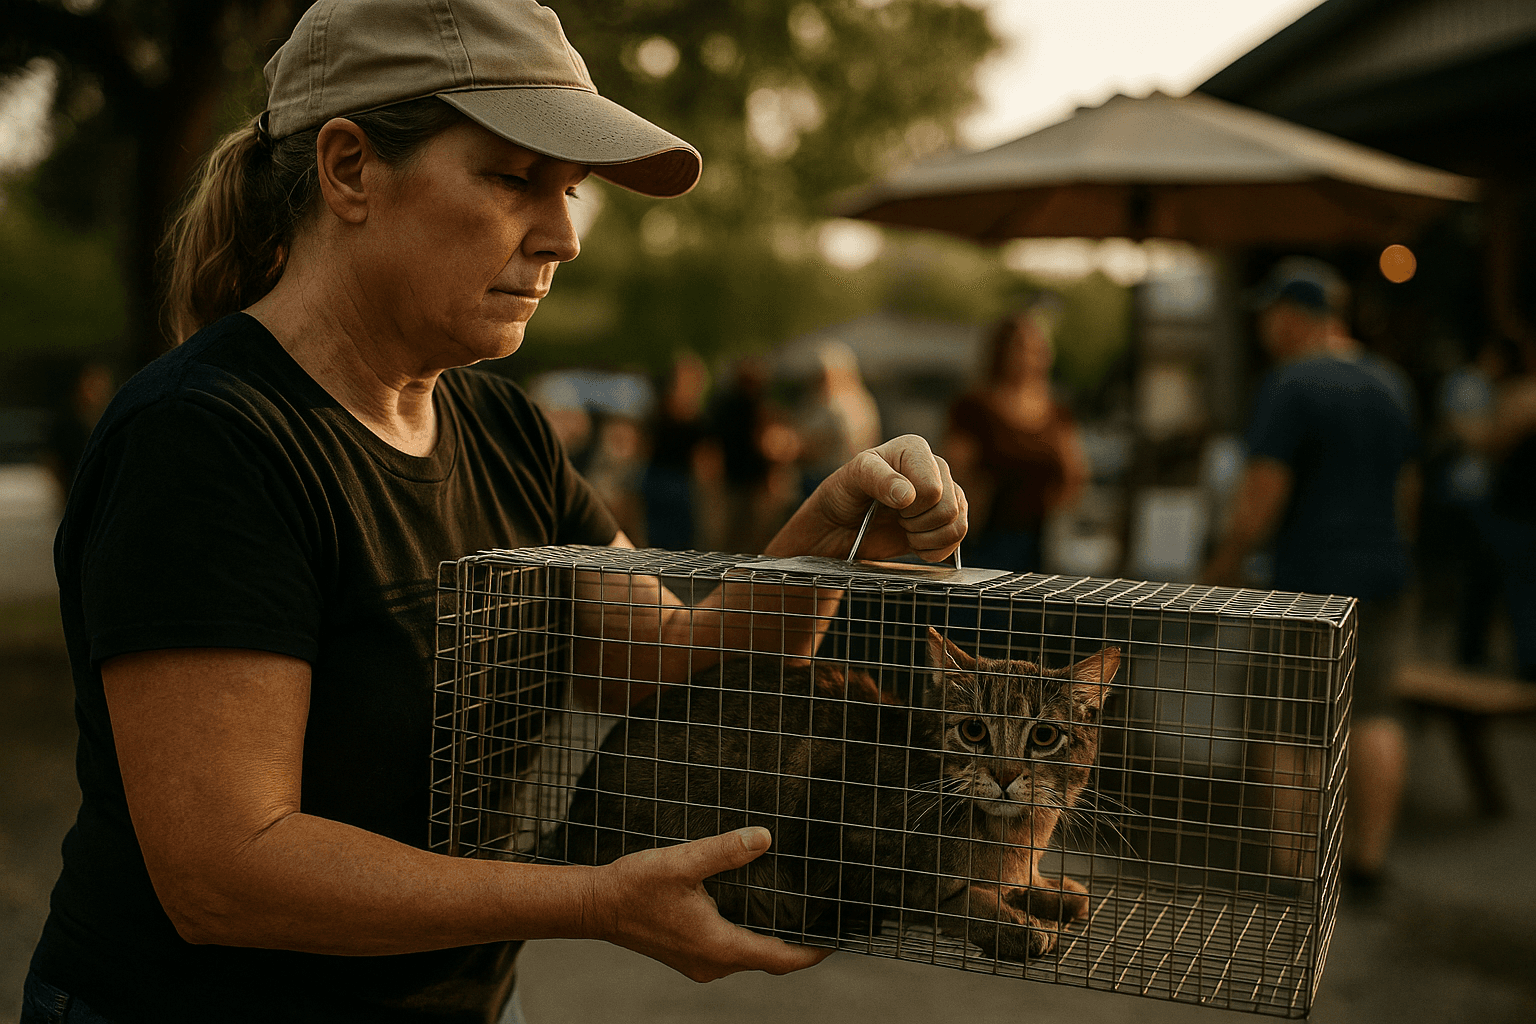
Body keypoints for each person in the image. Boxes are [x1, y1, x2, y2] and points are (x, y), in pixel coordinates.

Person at [19, 3, 968, 1022]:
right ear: (349, 171)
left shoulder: (496, 422)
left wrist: (830, 526)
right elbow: (224, 871)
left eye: (571, 192)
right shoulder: (206, 440)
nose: (562, 236)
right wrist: (595, 901)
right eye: (517, 179)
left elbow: (674, 656)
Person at [1202, 259, 1417, 900]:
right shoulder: (1391, 382)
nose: (1266, 330)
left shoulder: (1289, 385)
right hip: (1387, 573)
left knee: (1283, 725)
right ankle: (1369, 867)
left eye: (1270, 316)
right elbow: (1409, 490)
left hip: (1306, 583)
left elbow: (1260, 499)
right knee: (1375, 714)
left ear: (1292, 317)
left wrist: (1222, 565)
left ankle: (1297, 874)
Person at [942, 306, 1088, 573]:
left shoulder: (1057, 410)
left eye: (1036, 348)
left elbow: (1074, 472)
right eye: (1020, 347)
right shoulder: (974, 406)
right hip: (988, 536)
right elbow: (955, 473)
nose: (1029, 357)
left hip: (1044, 536)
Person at [795, 340, 883, 497]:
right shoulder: (862, 400)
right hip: (843, 476)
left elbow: (821, 445)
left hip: (829, 476)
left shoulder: (837, 405)